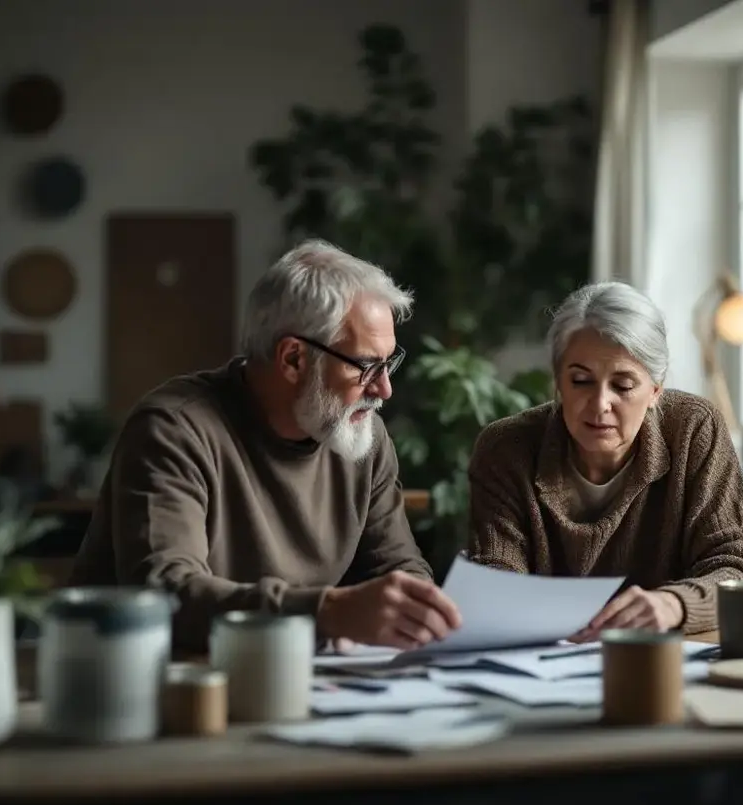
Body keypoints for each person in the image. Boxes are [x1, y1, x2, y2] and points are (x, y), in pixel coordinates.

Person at [70, 239, 462, 653]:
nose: (384, 388)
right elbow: (165, 595)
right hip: (140, 685)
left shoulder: (361, 436)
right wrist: (326, 612)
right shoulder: (174, 429)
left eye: (389, 363)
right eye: (367, 366)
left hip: (294, 680)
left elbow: (398, 567)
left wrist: (417, 611)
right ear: (293, 359)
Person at [467, 281, 743, 639]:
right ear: (558, 383)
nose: (600, 405)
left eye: (623, 386)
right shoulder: (507, 447)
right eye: (581, 381)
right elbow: (494, 578)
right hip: (540, 661)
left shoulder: (694, 429)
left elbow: (741, 566)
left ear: (655, 390)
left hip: (665, 659)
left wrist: (673, 604)